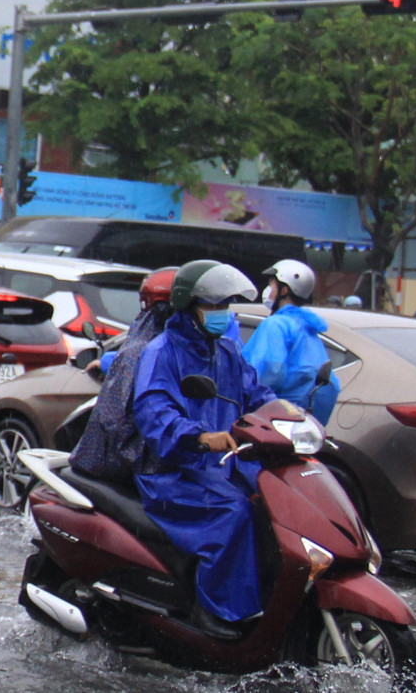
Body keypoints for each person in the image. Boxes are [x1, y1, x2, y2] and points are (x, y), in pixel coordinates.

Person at [131, 260, 276, 638]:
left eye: (224, 306)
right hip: (174, 472)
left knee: (273, 502)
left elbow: (257, 395)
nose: (220, 314)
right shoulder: (161, 352)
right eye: (212, 306)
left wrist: (289, 416)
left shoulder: (226, 351)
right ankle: (215, 610)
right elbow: (154, 411)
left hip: (225, 466)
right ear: (188, 305)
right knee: (234, 512)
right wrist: (198, 436)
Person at [68, 267, 177, 479]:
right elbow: (116, 421)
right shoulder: (141, 353)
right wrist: (149, 460)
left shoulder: (207, 351)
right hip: (125, 471)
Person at [242, 260, 340, 423]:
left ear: (284, 290)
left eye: (272, 284)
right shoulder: (307, 326)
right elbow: (330, 385)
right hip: (301, 422)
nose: (268, 290)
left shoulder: (275, 324)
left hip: (274, 420)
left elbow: (267, 372)